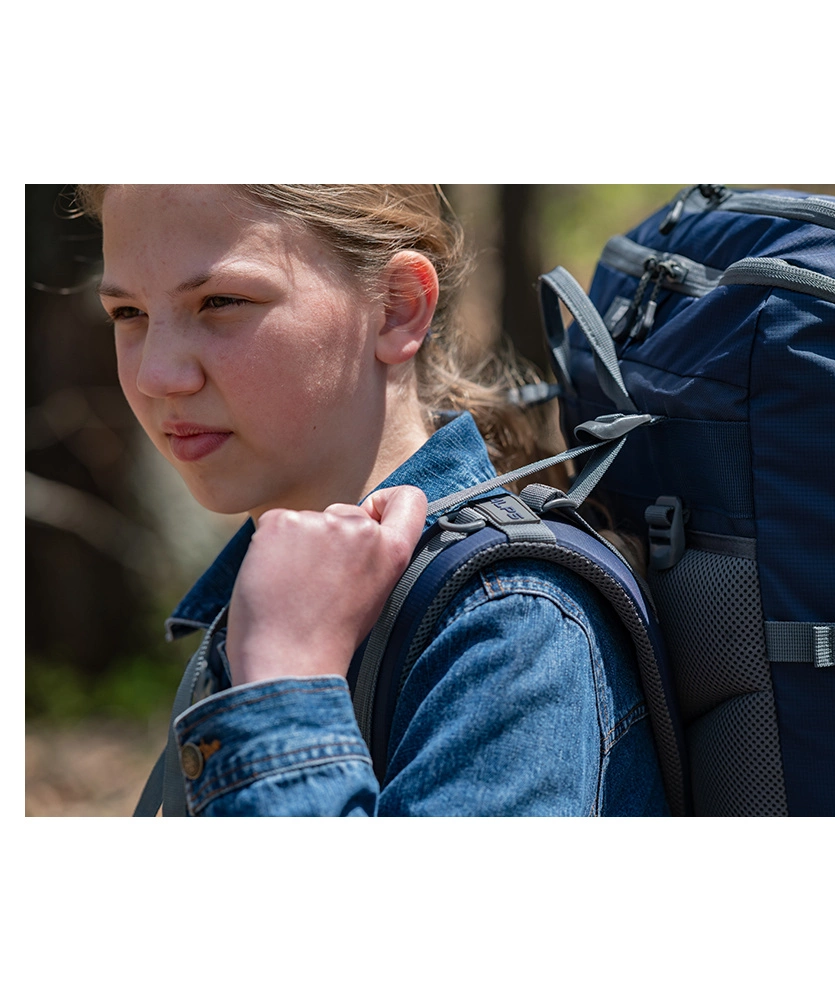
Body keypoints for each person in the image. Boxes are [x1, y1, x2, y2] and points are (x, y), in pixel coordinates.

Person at [78, 184, 668, 816]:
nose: (156, 376)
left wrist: (285, 681)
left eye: (221, 301)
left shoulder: (510, 623)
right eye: (128, 314)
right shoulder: (279, 592)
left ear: (397, 309)